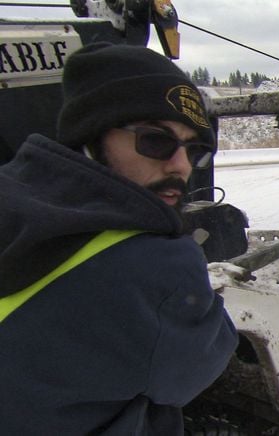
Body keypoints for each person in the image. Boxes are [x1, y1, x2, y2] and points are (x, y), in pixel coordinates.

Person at [0, 42, 238, 434]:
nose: (180, 165)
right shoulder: (156, 268)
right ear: (91, 136)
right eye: (155, 140)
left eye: (195, 149)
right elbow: (202, 362)